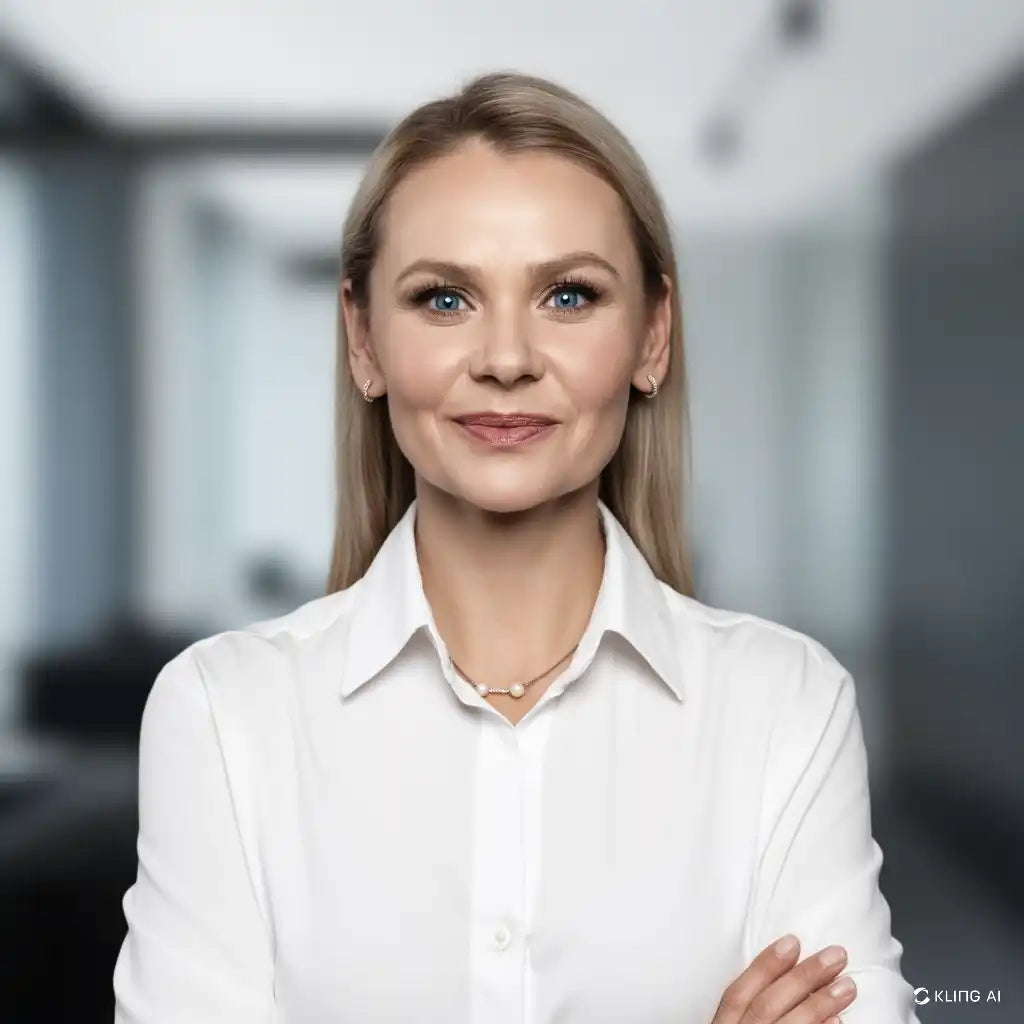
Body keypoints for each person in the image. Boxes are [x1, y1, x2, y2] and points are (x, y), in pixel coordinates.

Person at [112, 71, 920, 1023]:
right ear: (362, 340)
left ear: (652, 336)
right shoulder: (221, 715)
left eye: (568, 295)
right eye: (444, 299)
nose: (505, 358)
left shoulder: (787, 705)